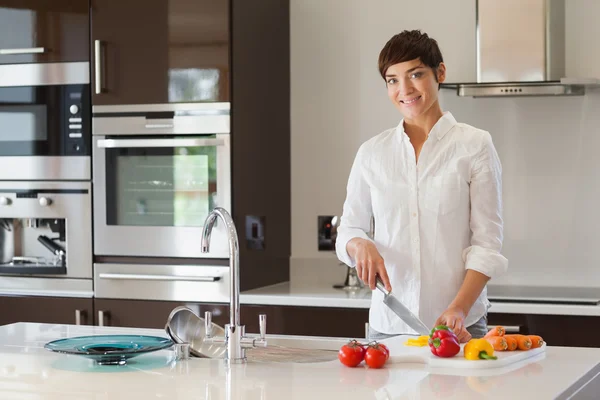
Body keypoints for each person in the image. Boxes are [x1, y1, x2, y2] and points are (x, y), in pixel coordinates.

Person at [335, 30, 508, 343]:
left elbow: (487, 244)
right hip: (388, 326)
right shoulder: (372, 153)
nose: (405, 89)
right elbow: (348, 230)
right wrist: (359, 244)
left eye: (415, 74)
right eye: (392, 80)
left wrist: (457, 309)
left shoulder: (475, 145)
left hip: (460, 326)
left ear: (439, 72)